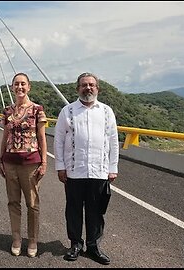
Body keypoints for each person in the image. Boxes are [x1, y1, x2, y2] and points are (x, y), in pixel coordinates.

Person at [54, 72, 119, 265]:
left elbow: (113, 142)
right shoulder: (68, 111)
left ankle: (93, 247)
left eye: (91, 85)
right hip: (75, 170)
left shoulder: (107, 112)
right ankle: (75, 244)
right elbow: (59, 141)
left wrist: (112, 167)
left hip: (99, 171)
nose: (88, 88)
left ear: (97, 88)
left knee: (96, 211)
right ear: (78, 89)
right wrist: (60, 166)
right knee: (73, 209)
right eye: (84, 85)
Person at [0, 73, 48, 258]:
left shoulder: (37, 109)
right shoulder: (7, 111)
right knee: (13, 202)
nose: (19, 87)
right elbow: (5, 136)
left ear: (29, 87)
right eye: (16, 84)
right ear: (12, 87)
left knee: (32, 203)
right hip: (10, 162)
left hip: (30, 164)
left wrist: (44, 162)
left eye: (23, 84)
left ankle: (33, 240)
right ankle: (17, 239)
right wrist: (0, 159)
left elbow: (42, 138)